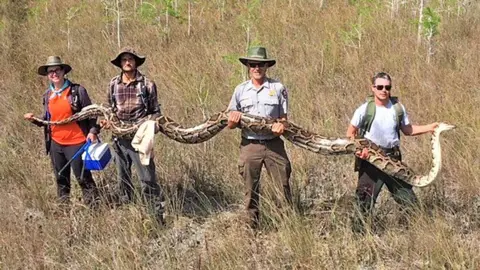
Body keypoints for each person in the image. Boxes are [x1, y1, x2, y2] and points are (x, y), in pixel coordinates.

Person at [346, 72, 438, 233]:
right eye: (380, 87)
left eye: (387, 87)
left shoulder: (397, 108)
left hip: (393, 159)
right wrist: (361, 151)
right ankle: (359, 237)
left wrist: (430, 128)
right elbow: (350, 133)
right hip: (370, 161)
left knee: (408, 199)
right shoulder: (364, 109)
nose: (384, 90)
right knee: (364, 201)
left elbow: (408, 130)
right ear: (373, 88)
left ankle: (420, 232)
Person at [227, 46, 292, 229]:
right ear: (248, 66)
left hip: (274, 145)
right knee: (250, 190)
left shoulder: (278, 88)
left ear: (266, 66)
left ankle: (287, 227)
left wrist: (282, 126)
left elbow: (285, 120)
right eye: (253, 64)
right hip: (250, 144)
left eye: (260, 64)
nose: (257, 68)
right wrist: (233, 119)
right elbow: (230, 123)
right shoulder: (240, 90)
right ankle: (251, 228)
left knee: (283, 187)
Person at [24, 56, 100, 208]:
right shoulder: (47, 95)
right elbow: (49, 120)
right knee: (61, 178)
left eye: (57, 70)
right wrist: (34, 120)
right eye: (50, 71)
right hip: (56, 144)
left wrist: (92, 131)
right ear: (47, 75)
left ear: (63, 71)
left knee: (83, 177)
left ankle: (95, 209)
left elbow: (92, 113)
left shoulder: (77, 91)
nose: (54, 73)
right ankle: (64, 209)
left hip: (77, 142)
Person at [105, 47, 165, 225]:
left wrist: (149, 126)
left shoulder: (147, 84)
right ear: (120, 64)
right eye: (124, 60)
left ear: (136, 62)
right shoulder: (113, 84)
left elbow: (156, 112)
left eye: (130, 59)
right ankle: (127, 212)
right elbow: (110, 108)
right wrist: (107, 121)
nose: (127, 62)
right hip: (119, 137)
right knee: (122, 177)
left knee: (147, 177)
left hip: (141, 138)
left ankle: (156, 214)